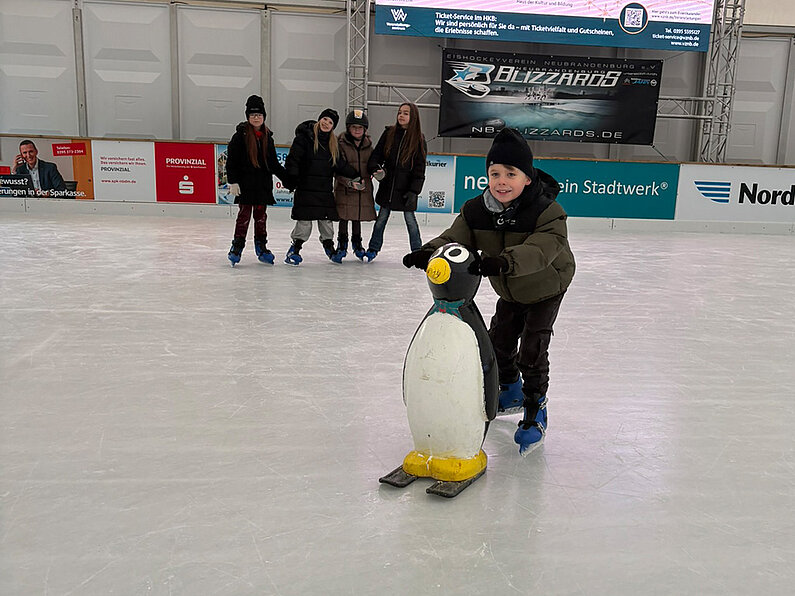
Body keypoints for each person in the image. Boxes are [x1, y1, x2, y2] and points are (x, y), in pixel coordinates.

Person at [402, 128, 575, 456]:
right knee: (499, 342)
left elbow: (541, 250)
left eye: (511, 173)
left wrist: (502, 263)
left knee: (533, 349)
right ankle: (510, 390)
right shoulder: (476, 210)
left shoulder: (547, 212)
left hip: (547, 284)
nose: (502, 181)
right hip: (509, 286)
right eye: (495, 173)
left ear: (527, 177)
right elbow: (455, 237)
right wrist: (428, 252)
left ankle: (536, 406)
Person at [284, 108, 360, 265]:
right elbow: (293, 160)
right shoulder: (304, 138)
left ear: (333, 126)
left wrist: (355, 174)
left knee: (326, 223)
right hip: (305, 189)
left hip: (324, 191)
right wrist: (292, 179)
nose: (326, 123)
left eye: (330, 122)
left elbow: (340, 164)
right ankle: (294, 249)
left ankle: (329, 247)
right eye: (325, 119)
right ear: (319, 119)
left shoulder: (333, 144)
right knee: (304, 223)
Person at [225, 95, 290, 266]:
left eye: (259, 115)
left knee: (261, 217)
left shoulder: (268, 137)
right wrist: (233, 181)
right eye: (253, 115)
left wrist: (288, 180)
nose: (256, 117)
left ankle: (261, 247)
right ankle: (237, 247)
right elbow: (231, 161)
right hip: (246, 185)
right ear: (247, 116)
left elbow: (274, 164)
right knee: (244, 216)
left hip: (262, 186)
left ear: (264, 117)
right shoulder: (240, 136)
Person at [363, 102, 427, 262]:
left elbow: (419, 169)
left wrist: (414, 191)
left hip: (406, 190)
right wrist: (375, 168)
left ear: (413, 117)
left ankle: (417, 251)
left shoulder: (418, 139)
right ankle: (373, 248)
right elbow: (376, 155)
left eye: (406, 113)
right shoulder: (389, 133)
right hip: (389, 187)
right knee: (381, 220)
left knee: (411, 221)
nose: (401, 115)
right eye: (400, 112)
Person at [333, 109, 377, 262]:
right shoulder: (340, 144)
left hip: (362, 188)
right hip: (345, 189)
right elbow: (337, 169)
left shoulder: (369, 147)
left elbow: (372, 165)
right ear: (348, 128)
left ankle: (357, 244)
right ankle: (342, 244)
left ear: (365, 129)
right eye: (354, 127)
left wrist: (377, 172)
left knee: (357, 216)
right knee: (344, 217)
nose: (357, 130)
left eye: (360, 128)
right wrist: (349, 183)